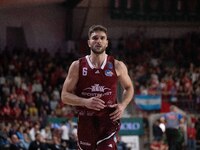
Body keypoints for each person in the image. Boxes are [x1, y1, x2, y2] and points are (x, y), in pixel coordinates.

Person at [61, 25, 134, 150]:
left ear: (106, 43)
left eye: (102, 38)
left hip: (108, 121)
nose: (98, 41)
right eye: (95, 38)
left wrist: (123, 105)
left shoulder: (117, 65)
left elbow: (129, 88)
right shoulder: (77, 66)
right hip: (86, 122)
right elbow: (64, 96)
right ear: (89, 43)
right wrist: (85, 102)